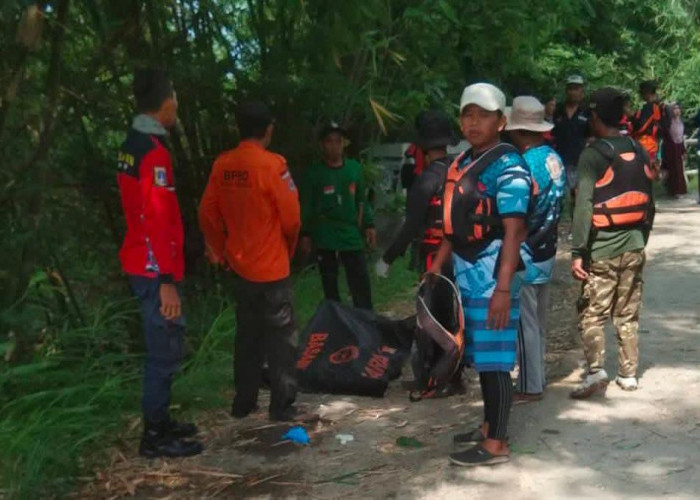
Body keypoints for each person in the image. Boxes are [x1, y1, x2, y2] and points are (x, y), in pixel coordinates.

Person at [429, 83, 532, 466]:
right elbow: (453, 226)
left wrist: (503, 288)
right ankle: (489, 425)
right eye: (467, 114)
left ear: (501, 121)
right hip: (467, 274)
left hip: (493, 277)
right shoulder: (462, 162)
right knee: (481, 358)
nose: (473, 122)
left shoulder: (508, 166)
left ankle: (497, 444)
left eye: (483, 115)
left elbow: (513, 231)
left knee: (495, 361)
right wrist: (437, 268)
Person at [116, 68, 203, 458]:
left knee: (164, 346)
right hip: (154, 271)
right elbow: (154, 216)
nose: (177, 106)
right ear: (167, 102)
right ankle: (154, 436)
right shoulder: (152, 153)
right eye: (176, 99)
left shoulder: (131, 144)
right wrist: (166, 278)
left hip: (142, 263)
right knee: (164, 351)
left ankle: (162, 421)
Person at [198, 101, 302, 421]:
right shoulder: (274, 166)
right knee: (281, 341)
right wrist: (289, 249)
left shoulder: (223, 165)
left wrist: (221, 249)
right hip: (272, 269)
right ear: (268, 130)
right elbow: (292, 219)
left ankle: (244, 402)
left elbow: (207, 212)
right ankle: (281, 406)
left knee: (247, 337)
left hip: (241, 269)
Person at [570, 88, 655, 399]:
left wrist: (579, 251)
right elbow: (650, 203)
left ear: (594, 116)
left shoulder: (593, 155)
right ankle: (628, 374)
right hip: (634, 244)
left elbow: (584, 206)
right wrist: (641, 237)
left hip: (602, 249)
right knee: (628, 311)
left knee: (592, 312)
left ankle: (595, 371)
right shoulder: (638, 149)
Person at [505, 97, 566, 403]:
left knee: (524, 320)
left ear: (519, 131)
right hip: (548, 246)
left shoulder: (524, 165)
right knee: (538, 320)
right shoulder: (554, 159)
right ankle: (536, 373)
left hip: (527, 249)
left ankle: (529, 386)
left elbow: (520, 211)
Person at [299, 122, 376, 310]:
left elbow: (361, 201)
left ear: (344, 144)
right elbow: (306, 206)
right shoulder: (314, 173)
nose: (334, 146)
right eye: (329, 141)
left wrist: (369, 225)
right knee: (330, 284)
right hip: (325, 234)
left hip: (349, 233)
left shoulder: (354, 169)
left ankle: (366, 319)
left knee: (359, 281)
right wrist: (305, 234)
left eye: (338, 141)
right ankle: (335, 320)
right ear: (322, 144)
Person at [376, 110, 458, 277]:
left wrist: (387, 259)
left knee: (433, 302)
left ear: (422, 148)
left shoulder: (426, 180)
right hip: (462, 256)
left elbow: (411, 227)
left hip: (435, 257)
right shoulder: (460, 170)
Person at [553, 75, 590, 206]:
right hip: (559, 161)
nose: (573, 92)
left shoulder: (588, 111)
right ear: (566, 91)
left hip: (580, 161)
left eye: (577, 88)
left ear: (582, 91)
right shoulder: (557, 110)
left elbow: (593, 135)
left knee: (580, 200)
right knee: (561, 200)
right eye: (571, 88)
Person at [633, 80, 664, 170]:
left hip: (646, 143)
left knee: (645, 170)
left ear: (647, 93)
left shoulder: (649, 107)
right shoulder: (659, 106)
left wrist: (632, 118)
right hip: (654, 142)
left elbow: (641, 127)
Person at [660, 102, 688, 197]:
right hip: (670, 147)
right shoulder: (668, 122)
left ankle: (679, 190)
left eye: (678, 108)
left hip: (678, 146)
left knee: (679, 169)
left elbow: (681, 137)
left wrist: (683, 150)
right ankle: (673, 191)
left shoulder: (680, 121)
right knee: (672, 169)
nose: (677, 111)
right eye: (675, 109)